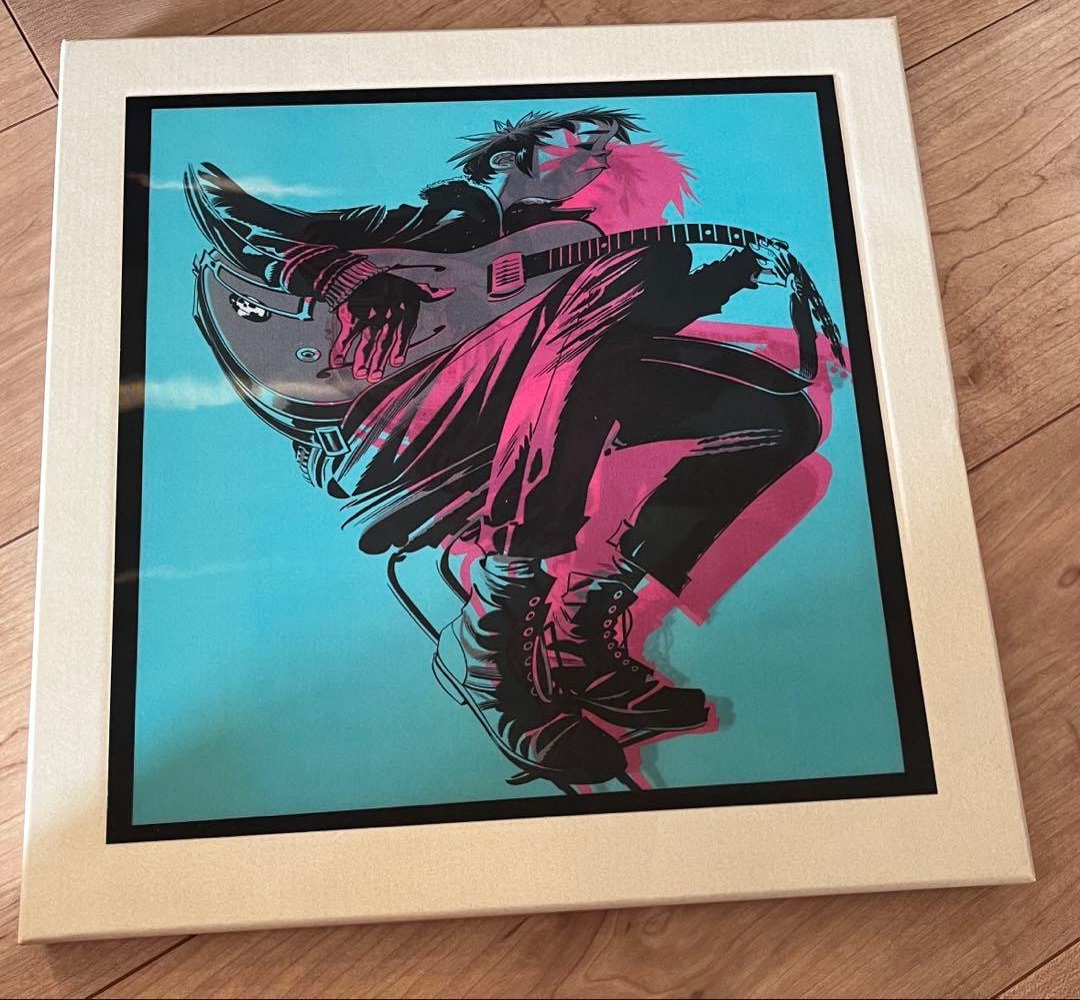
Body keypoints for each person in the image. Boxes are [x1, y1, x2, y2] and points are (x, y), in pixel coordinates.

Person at [185, 107, 827, 789]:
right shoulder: (440, 221)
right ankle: (489, 639)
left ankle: (578, 632)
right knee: (625, 271)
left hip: (536, 395)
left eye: (607, 147)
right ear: (504, 157)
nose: (597, 152)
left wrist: (724, 279)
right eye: (581, 136)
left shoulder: (575, 248)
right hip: (391, 422)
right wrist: (354, 280)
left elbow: (604, 341)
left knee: (775, 416)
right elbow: (225, 208)